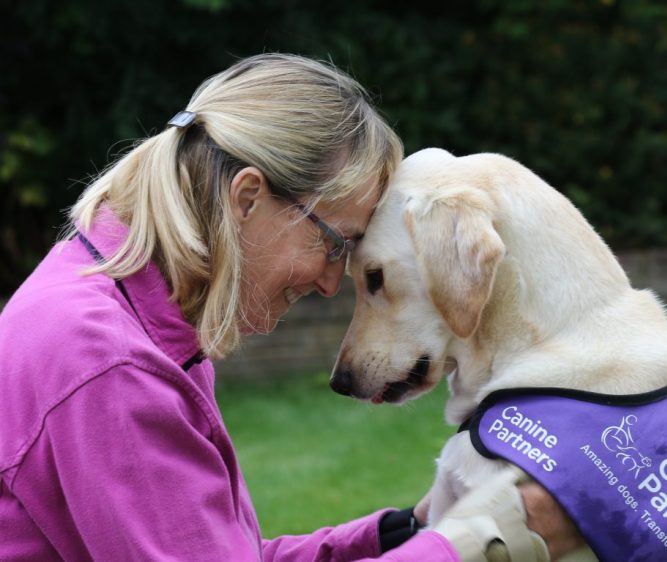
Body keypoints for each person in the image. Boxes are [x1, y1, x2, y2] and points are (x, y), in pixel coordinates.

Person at [0, 53, 580, 561]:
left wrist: (404, 533)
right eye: (336, 244)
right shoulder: (109, 364)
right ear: (247, 198)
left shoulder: (129, 315)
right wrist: (473, 546)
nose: (332, 283)